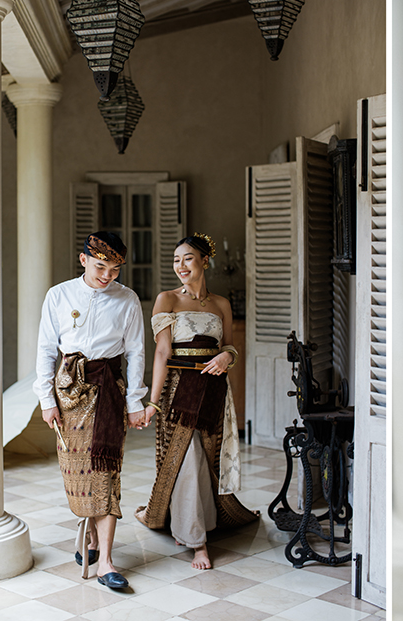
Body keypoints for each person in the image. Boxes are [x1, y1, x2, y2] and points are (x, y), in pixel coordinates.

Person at [135, 233, 258, 570]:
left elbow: (231, 346)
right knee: (185, 459)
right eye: (176, 260)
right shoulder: (167, 300)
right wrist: (154, 402)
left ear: (205, 261)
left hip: (215, 390)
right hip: (178, 390)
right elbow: (162, 352)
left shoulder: (221, 304)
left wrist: (225, 359)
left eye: (187, 258)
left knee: (206, 458)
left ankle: (187, 522)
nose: (180, 266)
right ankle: (197, 541)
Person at [35, 231, 147, 590]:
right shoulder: (59, 295)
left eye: (114, 269)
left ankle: (107, 562)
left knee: (106, 472)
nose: (107, 276)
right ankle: (93, 539)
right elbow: (45, 350)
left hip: (108, 393)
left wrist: (134, 402)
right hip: (69, 395)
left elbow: (137, 353)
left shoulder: (127, 299)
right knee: (77, 474)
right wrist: (47, 400)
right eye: (101, 267)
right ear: (84, 260)